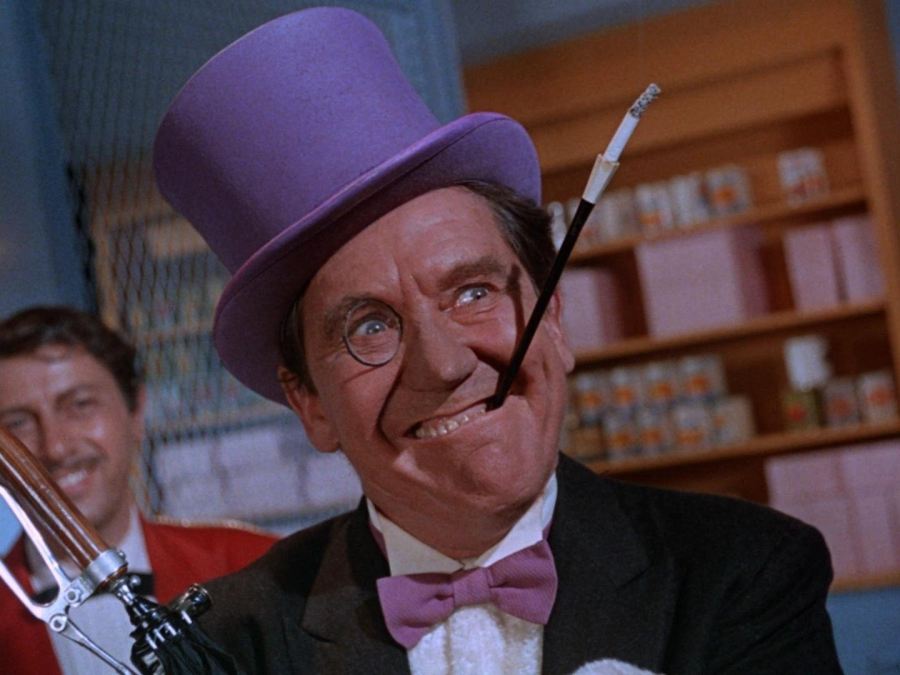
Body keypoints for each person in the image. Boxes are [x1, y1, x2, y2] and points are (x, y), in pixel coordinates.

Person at [151, 7, 843, 674]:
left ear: (554, 318)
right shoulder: (224, 648)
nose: (445, 363)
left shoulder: (741, 573)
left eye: (473, 292)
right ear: (310, 404)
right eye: (370, 327)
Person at [0, 306, 277, 675]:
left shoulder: (257, 569)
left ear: (136, 412)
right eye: (17, 423)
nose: (55, 448)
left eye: (80, 405)